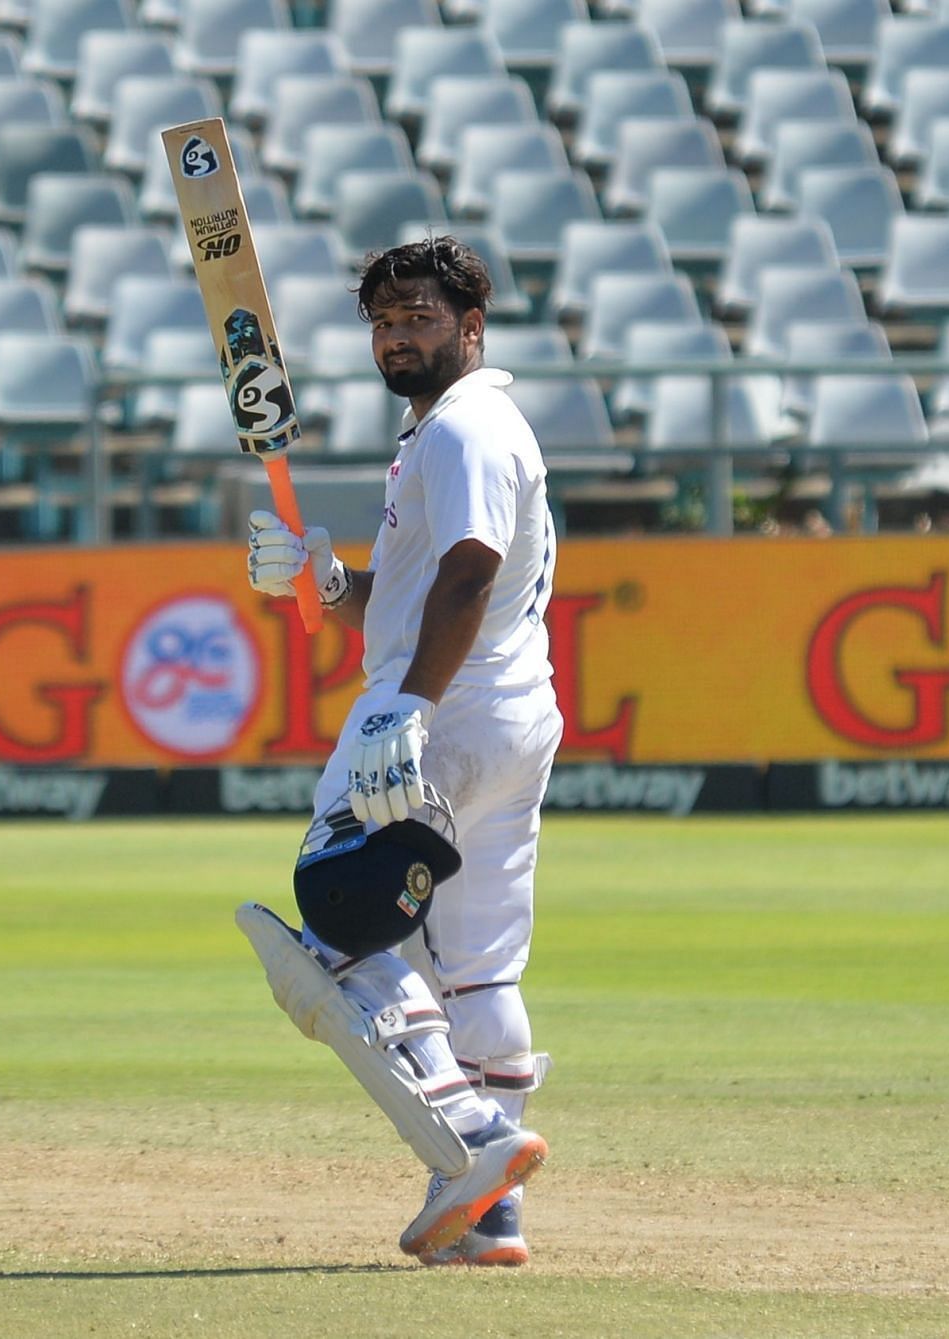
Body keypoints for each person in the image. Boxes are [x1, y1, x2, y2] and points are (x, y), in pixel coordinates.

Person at [243, 236, 562, 1266]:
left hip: (447, 712)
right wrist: (326, 583)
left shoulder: (464, 429)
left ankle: (469, 1138)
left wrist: (406, 706)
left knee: (339, 911)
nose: (397, 336)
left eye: (420, 318)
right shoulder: (450, 428)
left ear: (471, 328)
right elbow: (418, 589)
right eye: (384, 321)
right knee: (478, 971)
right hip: (510, 716)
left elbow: (471, 572)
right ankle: (489, 1216)